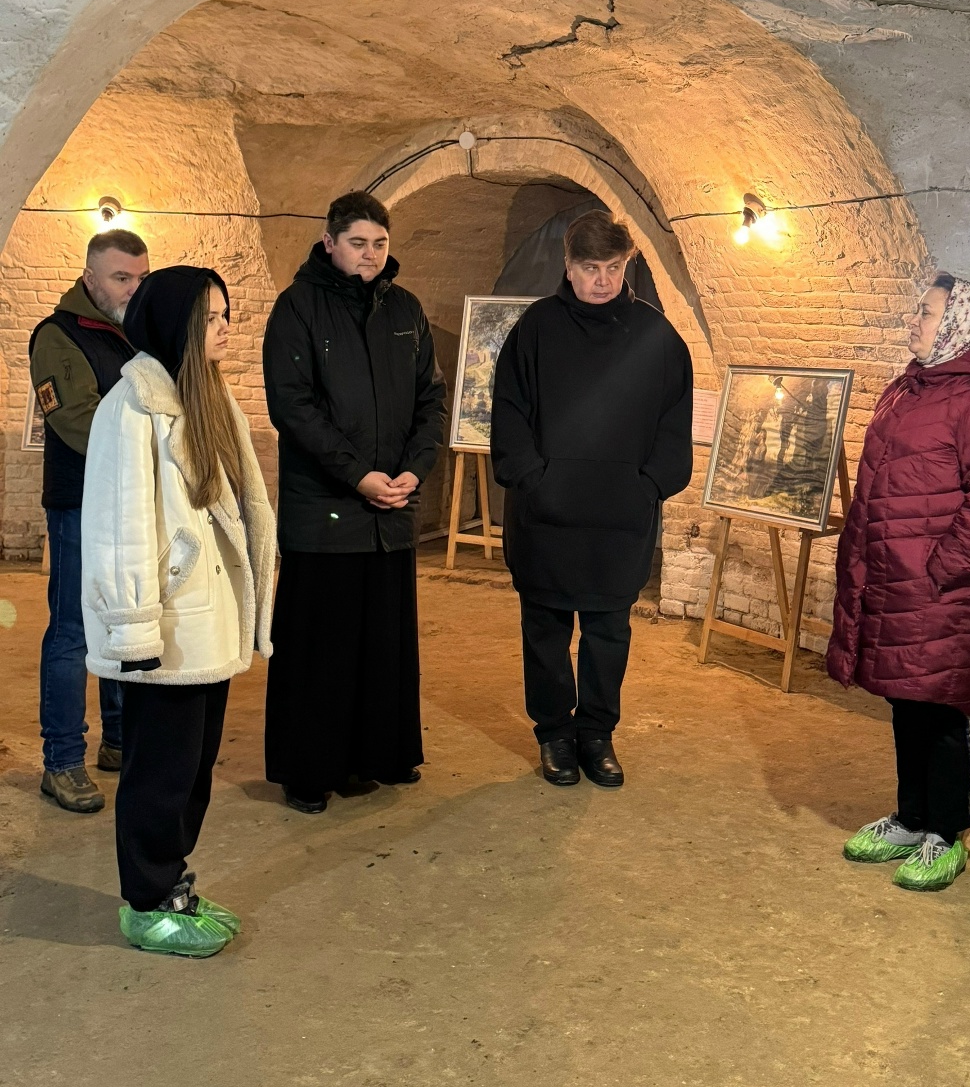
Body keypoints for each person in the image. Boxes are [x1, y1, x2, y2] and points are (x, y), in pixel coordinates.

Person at [81, 267, 275, 957]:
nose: (224, 329)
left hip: (205, 621)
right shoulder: (132, 407)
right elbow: (118, 529)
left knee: (192, 770)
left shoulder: (208, 396)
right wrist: (134, 630)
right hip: (163, 627)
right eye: (211, 317)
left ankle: (172, 885)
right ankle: (145, 900)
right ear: (176, 325)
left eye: (226, 315)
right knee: (159, 773)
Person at [828, 273, 970, 891]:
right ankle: (911, 818)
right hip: (894, 580)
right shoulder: (910, 388)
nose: (915, 321)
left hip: (943, 590)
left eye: (928, 312)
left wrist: (941, 569)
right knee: (906, 699)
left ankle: (946, 832)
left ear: (959, 325)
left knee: (941, 708)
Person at [490, 209, 693, 789]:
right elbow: (508, 415)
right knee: (546, 632)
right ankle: (554, 733)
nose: (601, 280)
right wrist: (534, 480)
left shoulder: (656, 337)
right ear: (568, 265)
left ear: (626, 265)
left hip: (618, 518)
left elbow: (674, 425)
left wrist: (647, 486)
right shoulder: (535, 329)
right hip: (545, 517)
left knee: (608, 634)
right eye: (589, 268)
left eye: (612, 267)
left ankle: (598, 734)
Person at [262, 190, 446, 813]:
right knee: (321, 649)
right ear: (330, 243)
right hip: (325, 512)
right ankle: (309, 770)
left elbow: (431, 401)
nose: (370, 254)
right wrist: (358, 475)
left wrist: (413, 470)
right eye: (358, 243)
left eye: (380, 243)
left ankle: (375, 755)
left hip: (390, 512)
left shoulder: (406, 309)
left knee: (380, 644)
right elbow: (294, 407)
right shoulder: (297, 307)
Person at [29, 229, 150, 812]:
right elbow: (78, 421)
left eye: (141, 278)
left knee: (124, 621)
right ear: (90, 278)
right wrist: (155, 441)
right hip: (80, 503)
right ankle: (62, 762)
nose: (133, 288)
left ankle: (119, 741)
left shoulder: (137, 334)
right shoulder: (58, 335)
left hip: (131, 500)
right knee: (73, 631)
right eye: (121, 277)